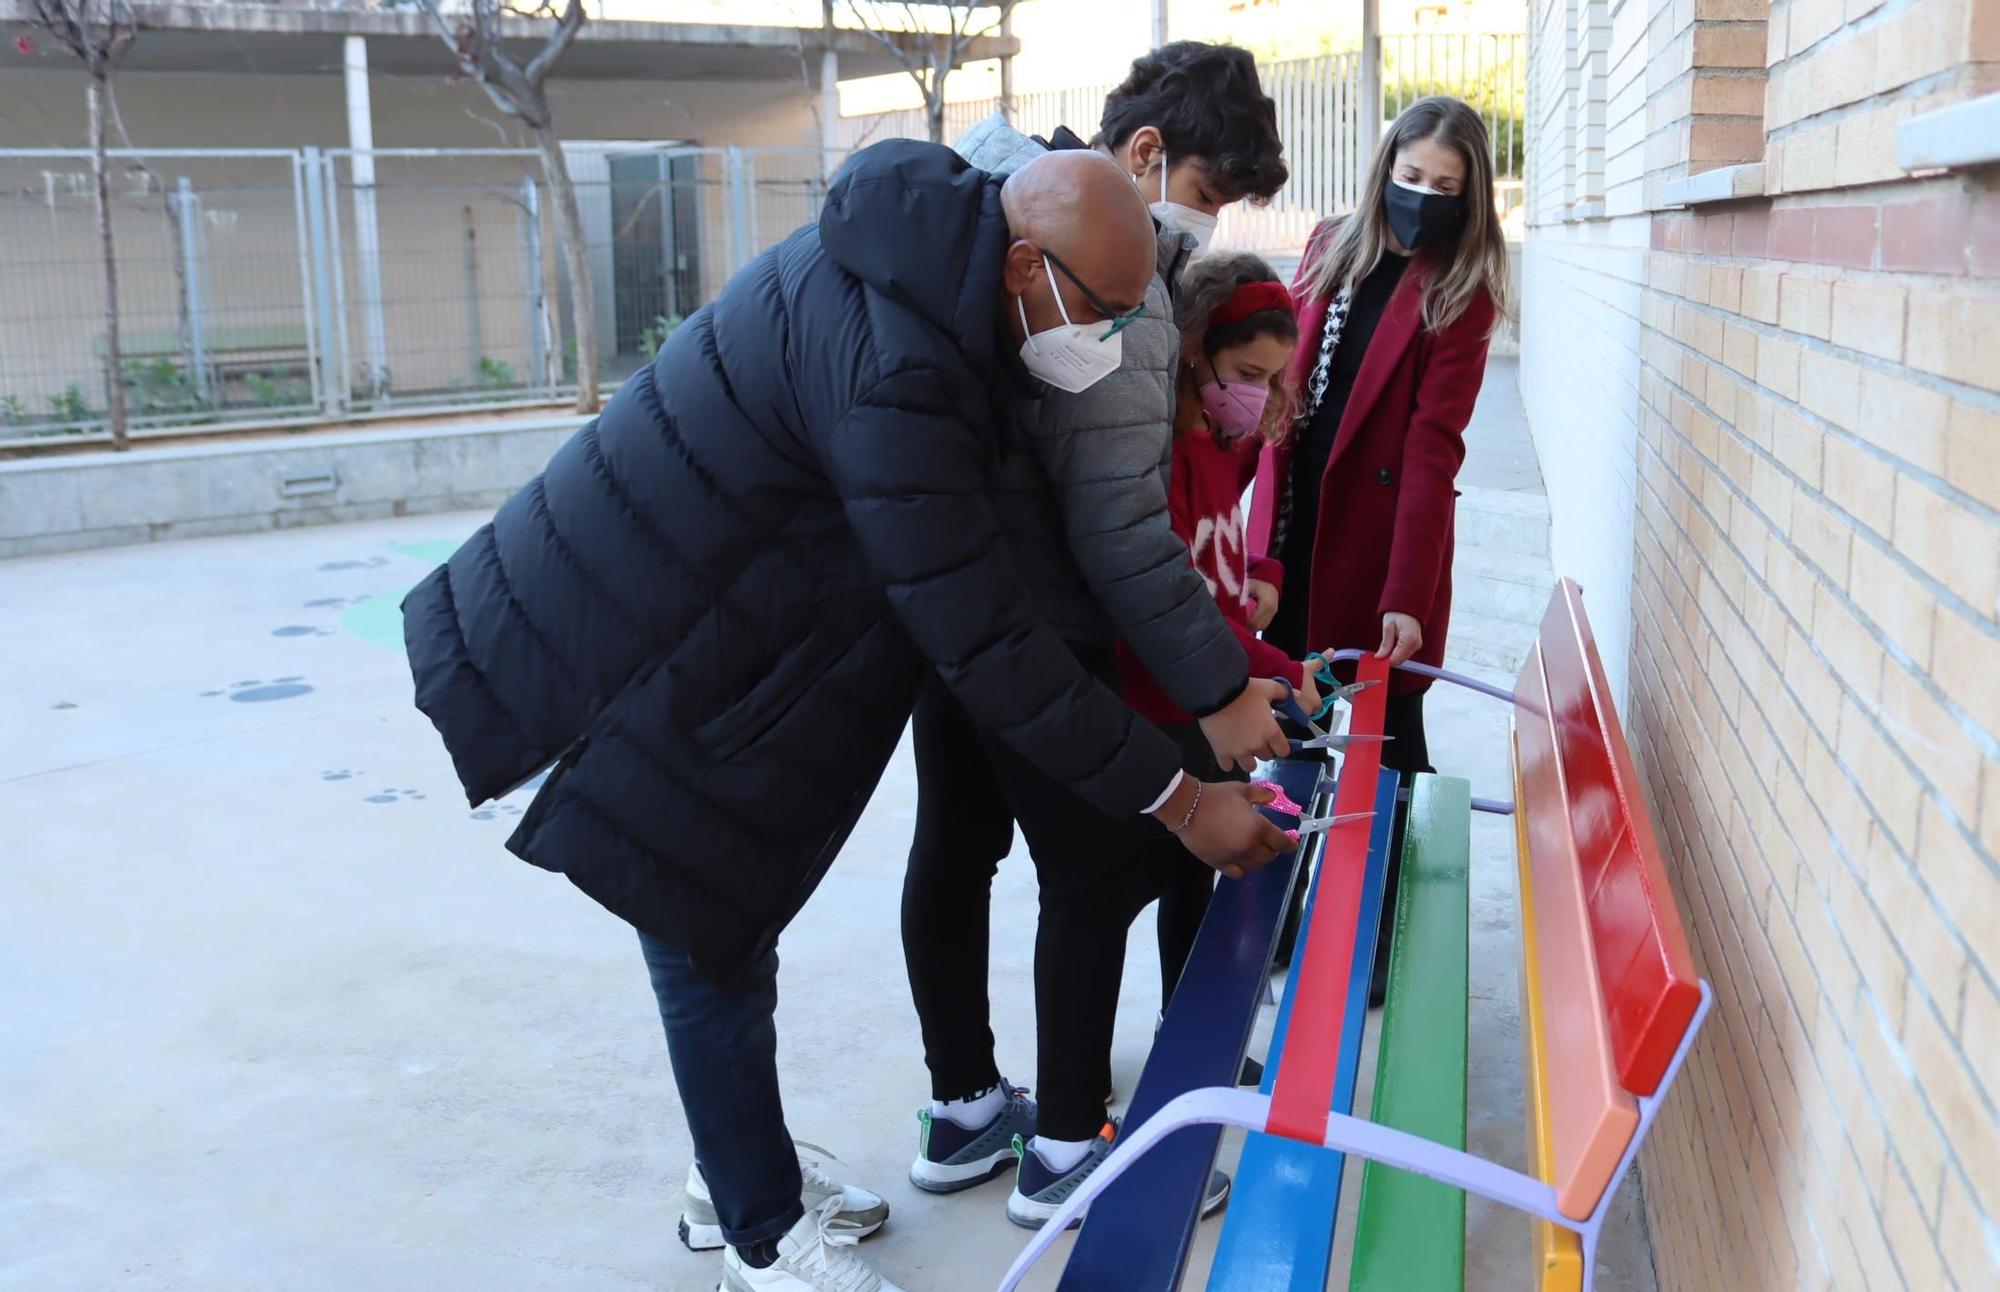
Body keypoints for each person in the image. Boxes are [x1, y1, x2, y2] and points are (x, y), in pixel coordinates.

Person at [401, 141, 1295, 1292]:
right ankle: (762, 1236)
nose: (1115, 340)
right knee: (699, 925)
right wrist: (1174, 795)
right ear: (1024, 261)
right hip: (607, 642)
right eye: (1103, 310)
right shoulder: (901, 366)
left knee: (721, 917)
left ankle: (732, 1171)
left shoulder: (948, 283)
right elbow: (986, 639)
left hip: (694, 612)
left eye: (1135, 315)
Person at [900, 42, 1294, 1230]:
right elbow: (1122, 532)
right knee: (1097, 864)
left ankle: (962, 1103)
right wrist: (1222, 689)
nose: (1202, 224)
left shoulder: (991, 214)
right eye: (1209, 194)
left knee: (956, 847)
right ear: (1140, 157)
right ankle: (1067, 1142)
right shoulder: (1122, 292)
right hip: (1038, 626)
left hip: (944, 600)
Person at [1248, 95, 1512, 1005]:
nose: (1423, 196)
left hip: (1380, 548)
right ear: (1385, 166)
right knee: (1289, 736)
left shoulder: (1460, 289)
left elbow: (1436, 447)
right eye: (1411, 178)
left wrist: (1407, 592)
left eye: (1445, 186)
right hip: (1293, 533)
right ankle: (1272, 927)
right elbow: (1277, 386)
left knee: (1392, 746)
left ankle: (1371, 940)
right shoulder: (1330, 243)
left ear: (1468, 194)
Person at [1114, 253, 1316, 1011]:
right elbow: (1177, 592)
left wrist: (1264, 571)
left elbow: (1224, 539)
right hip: (1177, 696)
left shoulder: (1228, 441)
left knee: (1205, 877)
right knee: (1135, 880)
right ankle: (1085, 1090)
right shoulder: (1160, 452)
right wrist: (1272, 663)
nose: (1255, 395)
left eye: (1270, 378)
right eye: (1245, 371)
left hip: (1222, 683)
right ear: (1194, 347)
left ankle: (1194, 1021)